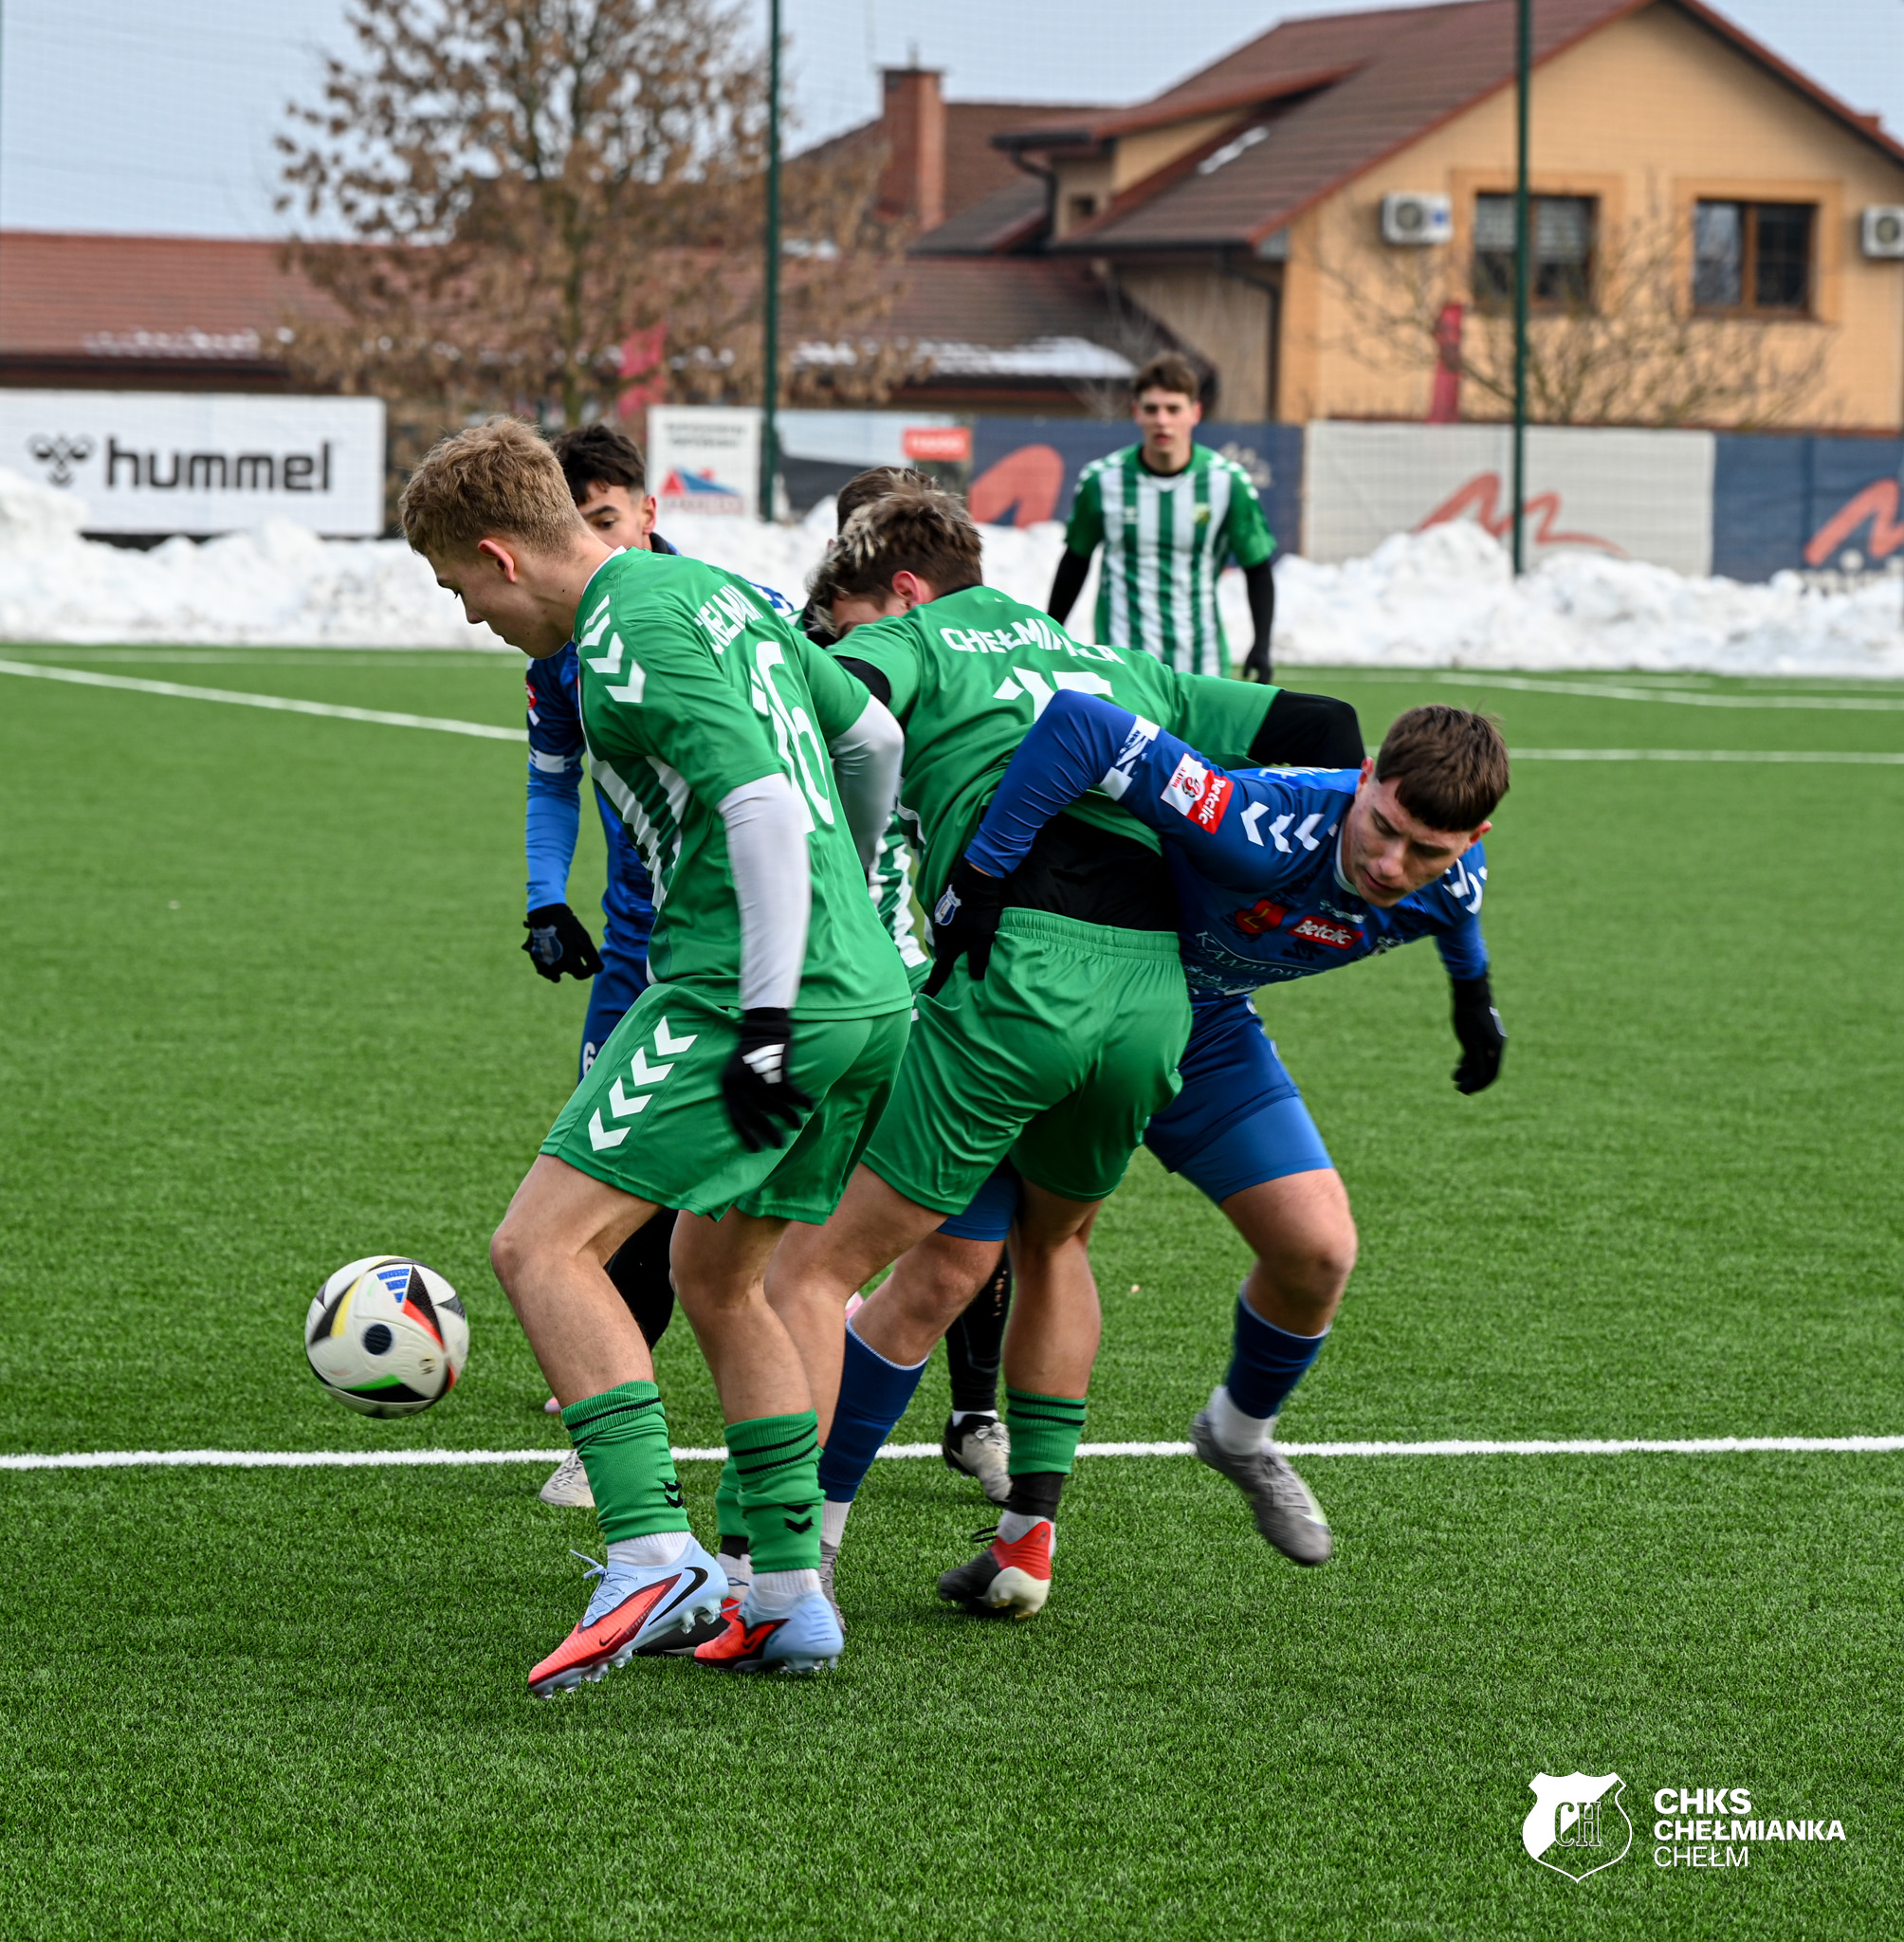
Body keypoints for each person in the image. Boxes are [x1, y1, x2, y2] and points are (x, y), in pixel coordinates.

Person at [765, 482, 1364, 1621]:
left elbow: (827, 708)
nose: (838, 636)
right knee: (1050, 1244)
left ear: (899, 589)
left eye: (841, 617)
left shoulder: (911, 639)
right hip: (1154, 993)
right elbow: (1327, 728)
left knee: (814, 1271)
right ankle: (1025, 1543)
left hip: (1017, 976)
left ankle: (790, 1560)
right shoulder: (1109, 658)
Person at [401, 417, 912, 1684]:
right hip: (868, 997)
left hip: (747, 994)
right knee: (721, 1276)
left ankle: (649, 1553)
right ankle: (786, 1592)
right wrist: (846, 914)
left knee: (540, 1246)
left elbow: (760, 803)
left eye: (459, 588)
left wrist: (771, 1010)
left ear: (500, 555)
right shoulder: (719, 593)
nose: (471, 617)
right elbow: (873, 740)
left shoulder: (621, 634)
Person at [936, 692, 1509, 1564]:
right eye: (1383, 827)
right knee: (955, 1270)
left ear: (1472, 840)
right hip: (1085, 989)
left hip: (1206, 1028)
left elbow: (1458, 912)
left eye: (1427, 851)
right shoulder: (1261, 821)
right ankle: (798, 1553)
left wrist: (1473, 997)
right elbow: (1087, 725)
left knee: (1320, 1253)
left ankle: (1238, 1435)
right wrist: (979, 875)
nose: (1393, 866)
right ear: (1364, 778)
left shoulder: (1456, 877)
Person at [521, 425, 682, 1511]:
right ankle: (612, 1401)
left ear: (648, 510)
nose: (597, 544)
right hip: (633, 957)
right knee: (615, 1170)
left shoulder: (724, 610)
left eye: (610, 519)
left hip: (742, 952)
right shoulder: (559, 644)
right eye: (576, 526)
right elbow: (552, 778)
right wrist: (545, 895)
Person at [1047, 352, 1277, 682]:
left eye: (1173, 409)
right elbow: (1075, 561)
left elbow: (1257, 568)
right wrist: (1051, 633)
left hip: (1201, 662)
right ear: (1136, 412)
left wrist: (1262, 644)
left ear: (1195, 413)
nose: (1162, 420)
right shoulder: (1102, 480)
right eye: (1152, 409)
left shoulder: (1227, 482)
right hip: (1122, 662)